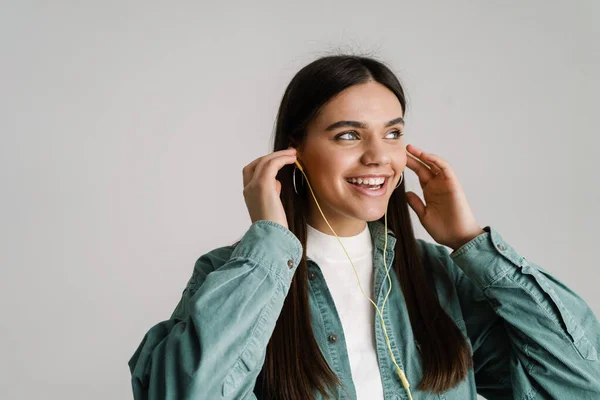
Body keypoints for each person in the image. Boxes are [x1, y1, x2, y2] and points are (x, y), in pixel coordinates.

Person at [128, 54, 600, 400]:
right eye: (349, 135)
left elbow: (581, 382)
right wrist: (269, 247)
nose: (378, 156)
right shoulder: (238, 277)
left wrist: (471, 244)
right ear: (295, 150)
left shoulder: (437, 276)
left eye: (392, 133)